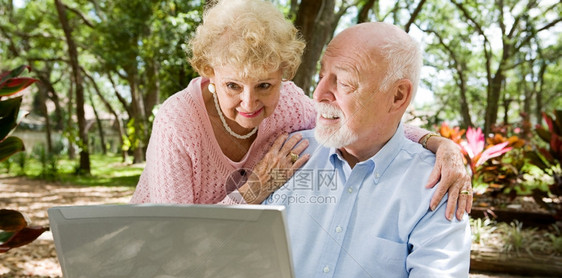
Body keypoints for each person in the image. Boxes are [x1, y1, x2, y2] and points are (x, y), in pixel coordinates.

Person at [130, 0, 473, 220]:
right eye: (233, 86)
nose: (249, 104)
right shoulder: (179, 121)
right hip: (155, 258)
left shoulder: (290, 104)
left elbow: (356, 122)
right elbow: (170, 235)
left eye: (265, 85)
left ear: (284, 74)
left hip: (223, 257)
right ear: (209, 73)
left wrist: (439, 144)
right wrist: (255, 191)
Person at [264, 22, 475, 278]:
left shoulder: (437, 183)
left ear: (398, 97)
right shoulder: (287, 153)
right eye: (322, 74)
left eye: (343, 82)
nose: (319, 94)